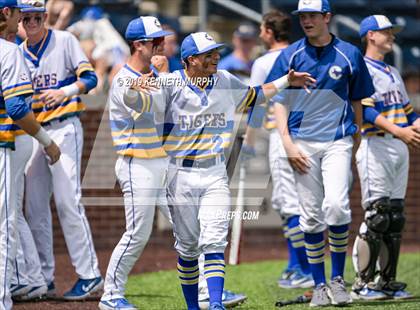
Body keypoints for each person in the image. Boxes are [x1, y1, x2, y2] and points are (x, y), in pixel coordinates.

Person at [126, 31, 315, 310]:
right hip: (178, 174)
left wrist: (288, 79)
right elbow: (133, 102)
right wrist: (136, 87)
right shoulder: (169, 83)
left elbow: (255, 96)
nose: (216, 57)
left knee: (214, 241)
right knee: (188, 248)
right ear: (190, 60)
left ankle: (215, 304)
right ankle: (194, 307)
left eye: (216, 51)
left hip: (215, 172)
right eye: (209, 54)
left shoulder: (225, 80)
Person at [266, 0, 375, 306]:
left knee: (338, 207)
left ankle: (338, 280)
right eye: (303, 16)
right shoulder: (291, 55)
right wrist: (287, 144)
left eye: (313, 15)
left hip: (337, 140)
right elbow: (278, 101)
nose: (307, 20)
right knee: (311, 218)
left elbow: (357, 99)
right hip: (300, 144)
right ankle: (319, 286)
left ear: (327, 17)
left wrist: (354, 136)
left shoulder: (350, 53)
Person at [19, 0, 102, 300]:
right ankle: (43, 277)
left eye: (36, 17)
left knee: (68, 201)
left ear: (45, 16)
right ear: (18, 20)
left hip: (65, 127)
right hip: (36, 134)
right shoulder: (17, 52)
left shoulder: (65, 39)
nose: (32, 23)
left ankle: (89, 273)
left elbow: (91, 78)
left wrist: (64, 91)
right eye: (26, 18)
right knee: (34, 207)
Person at [98, 16, 173, 310]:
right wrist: (157, 79)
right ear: (138, 45)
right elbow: (138, 101)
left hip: (161, 163)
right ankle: (111, 295)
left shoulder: (156, 74)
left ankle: (208, 290)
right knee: (137, 234)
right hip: (136, 164)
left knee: (187, 229)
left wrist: (160, 77)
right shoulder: (124, 79)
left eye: (162, 39)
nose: (162, 45)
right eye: (155, 41)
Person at [351, 15, 420, 300]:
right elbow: (366, 110)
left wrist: (415, 124)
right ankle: (361, 284)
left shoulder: (392, 71)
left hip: (398, 145)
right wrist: (401, 131)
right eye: (385, 31)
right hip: (376, 144)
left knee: (394, 217)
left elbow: (408, 111)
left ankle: (385, 281)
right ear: (370, 36)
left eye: (392, 31)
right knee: (376, 215)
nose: (391, 35)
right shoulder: (362, 68)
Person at [0, 1, 61, 309]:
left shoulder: (11, 49)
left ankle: (19, 282)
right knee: (8, 216)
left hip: (11, 141)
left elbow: (17, 108)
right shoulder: (10, 50)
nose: (21, 18)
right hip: (11, 140)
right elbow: (17, 106)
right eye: (16, 12)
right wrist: (47, 141)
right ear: (5, 14)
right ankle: (27, 279)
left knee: (7, 216)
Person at [249, 9, 312, 290]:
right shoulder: (304, 52)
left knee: (288, 203)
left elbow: (255, 103)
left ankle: (304, 267)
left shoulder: (264, 62)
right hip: (309, 133)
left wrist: (248, 141)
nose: (260, 34)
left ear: (270, 31)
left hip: (281, 133)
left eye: (262, 29)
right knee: (300, 201)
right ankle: (295, 264)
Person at [67, 6, 130, 94]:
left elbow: (72, 30)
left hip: (111, 52)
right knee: (113, 80)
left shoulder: (99, 23)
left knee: (101, 74)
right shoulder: (106, 25)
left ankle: (94, 93)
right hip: (121, 53)